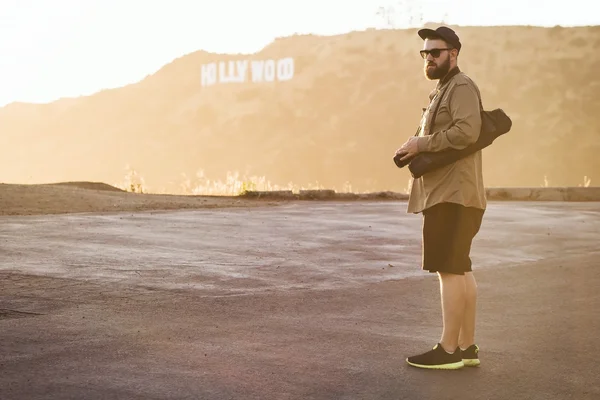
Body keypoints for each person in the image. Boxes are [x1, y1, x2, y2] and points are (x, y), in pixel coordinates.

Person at [395, 26, 487, 370]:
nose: (430, 58)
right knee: (460, 268)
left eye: (436, 52)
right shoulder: (444, 90)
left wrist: (422, 143)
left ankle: (448, 350)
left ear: (454, 54)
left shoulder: (461, 86)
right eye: (425, 53)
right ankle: (466, 347)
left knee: (449, 270)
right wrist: (412, 147)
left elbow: (467, 132)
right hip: (456, 194)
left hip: (452, 194)